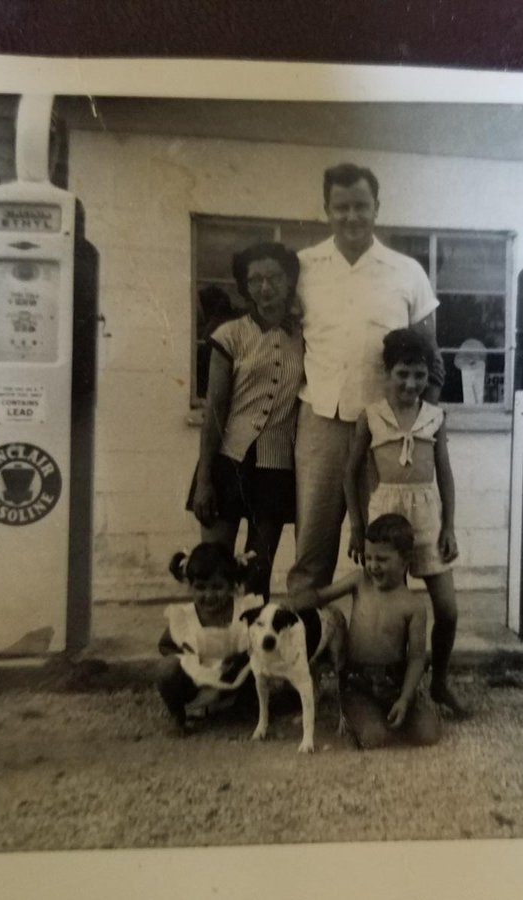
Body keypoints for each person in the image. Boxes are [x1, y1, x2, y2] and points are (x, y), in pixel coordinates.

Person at [286, 162, 446, 598]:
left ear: (376, 208)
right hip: (320, 420)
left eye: (361, 206)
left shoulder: (406, 271)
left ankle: (379, 651)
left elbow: (431, 358)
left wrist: (417, 424)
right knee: (312, 545)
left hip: (386, 432)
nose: (351, 217)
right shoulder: (303, 267)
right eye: (341, 207)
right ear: (326, 210)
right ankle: (303, 648)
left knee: (385, 548)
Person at [343, 328, 467, 717]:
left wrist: (448, 527)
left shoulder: (435, 417)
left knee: (447, 610)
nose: (412, 383)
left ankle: (440, 682)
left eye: (420, 375)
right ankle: (385, 687)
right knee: (385, 608)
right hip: (385, 517)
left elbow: (444, 474)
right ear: (387, 372)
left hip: (427, 517)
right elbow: (350, 474)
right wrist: (358, 526)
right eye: (403, 374)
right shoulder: (372, 416)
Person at [187, 241, 303, 599]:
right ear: (245, 286)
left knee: (257, 577)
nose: (265, 288)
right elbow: (215, 413)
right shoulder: (229, 335)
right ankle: (212, 651)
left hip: (275, 468)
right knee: (215, 570)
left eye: (274, 278)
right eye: (255, 280)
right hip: (227, 463)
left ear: (289, 282)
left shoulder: (306, 336)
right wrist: (204, 480)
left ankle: (254, 653)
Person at [303, 514, 441, 749]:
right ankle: (356, 715)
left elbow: (417, 658)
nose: (372, 565)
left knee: (429, 734)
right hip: (358, 683)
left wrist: (405, 699)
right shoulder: (360, 581)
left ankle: (407, 706)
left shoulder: (414, 605)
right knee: (375, 738)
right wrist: (292, 602)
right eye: (368, 558)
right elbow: (320, 596)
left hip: (394, 682)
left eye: (382, 559)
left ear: (405, 560)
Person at [156, 543, 265, 730]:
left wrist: (241, 659)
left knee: (259, 663)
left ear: (232, 585)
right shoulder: (185, 617)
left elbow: (260, 642)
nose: (209, 595)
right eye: (201, 587)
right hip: (198, 679)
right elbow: (165, 645)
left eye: (217, 587)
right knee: (166, 669)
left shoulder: (245, 610)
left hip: (235, 675)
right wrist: (187, 657)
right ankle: (178, 716)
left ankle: (245, 708)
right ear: (190, 586)